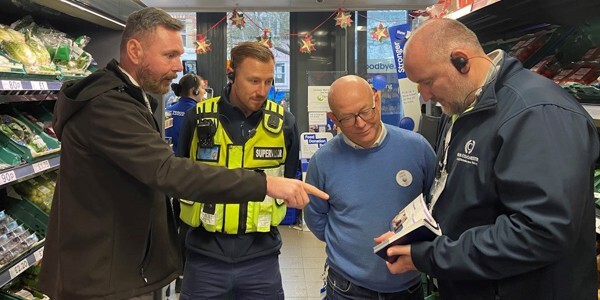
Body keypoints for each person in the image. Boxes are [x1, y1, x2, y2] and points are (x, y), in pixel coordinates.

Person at [38, 8, 327, 300]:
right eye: (170, 55)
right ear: (135, 50)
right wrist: (264, 184)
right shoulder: (109, 106)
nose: (179, 67)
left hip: (123, 265)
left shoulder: (133, 98)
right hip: (101, 276)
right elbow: (169, 171)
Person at [378, 18, 599, 300]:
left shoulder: (537, 114)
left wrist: (434, 255)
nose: (425, 95)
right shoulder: (464, 106)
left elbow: (541, 231)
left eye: (427, 82)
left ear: (461, 61)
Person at [175, 41, 300, 299]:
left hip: (261, 259)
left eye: (268, 82)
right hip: (204, 257)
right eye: (253, 81)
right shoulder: (197, 119)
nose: (262, 90)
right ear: (232, 73)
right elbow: (179, 178)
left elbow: (287, 179)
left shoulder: (285, 124)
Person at [304, 75, 436, 299]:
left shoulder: (417, 149)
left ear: (377, 99)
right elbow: (315, 217)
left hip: (407, 286)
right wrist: (349, 246)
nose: (361, 123)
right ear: (333, 119)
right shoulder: (323, 161)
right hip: (347, 287)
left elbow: (436, 205)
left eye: (366, 111)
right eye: (347, 118)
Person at [166, 73, 206, 154]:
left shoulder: (167, 111)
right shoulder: (200, 113)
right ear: (195, 91)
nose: (205, 91)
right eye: (202, 88)